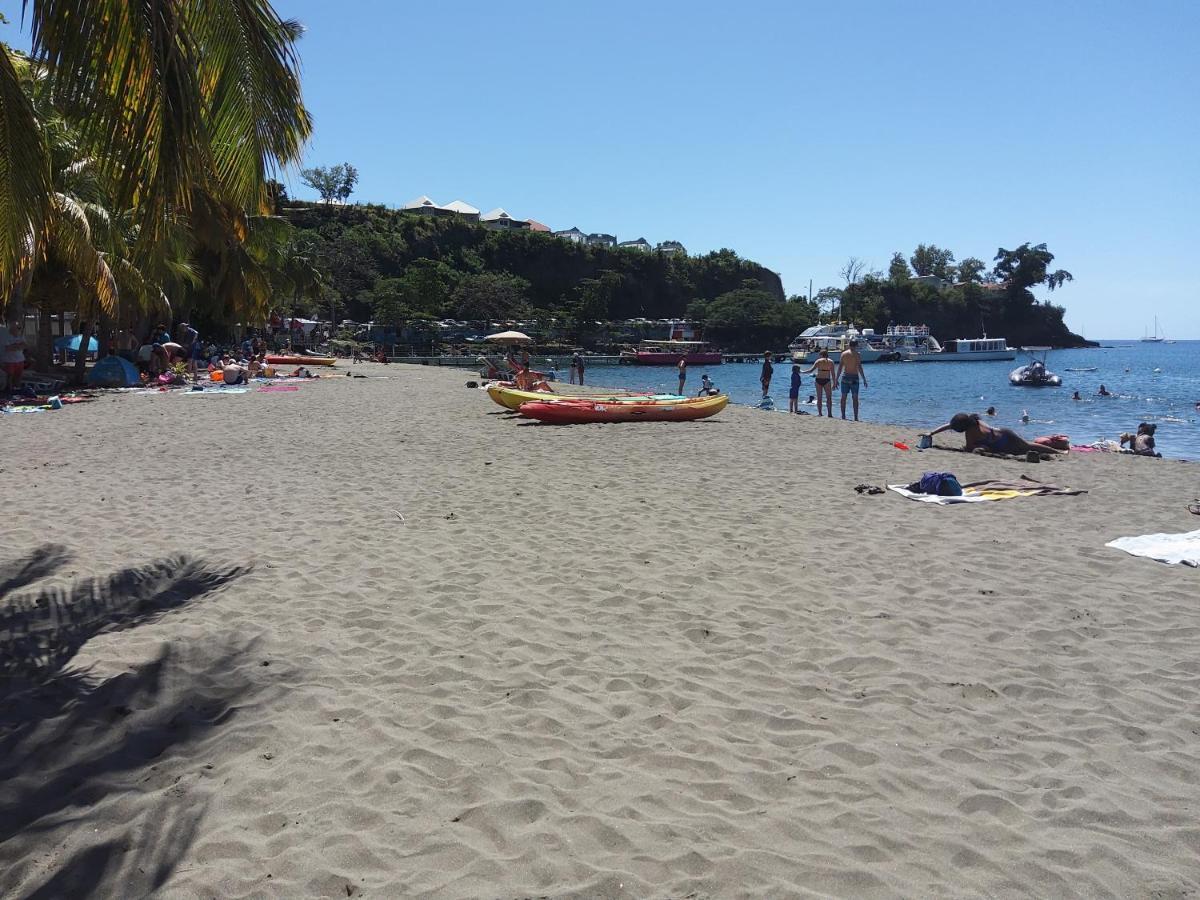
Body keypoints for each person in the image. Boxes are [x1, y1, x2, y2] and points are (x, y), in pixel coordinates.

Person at [925, 412, 1066, 455]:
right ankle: (1057, 452)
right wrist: (932, 433)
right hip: (1004, 432)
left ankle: (1057, 452)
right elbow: (949, 425)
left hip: (1002, 442)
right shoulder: (974, 420)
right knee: (1028, 446)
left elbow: (968, 448)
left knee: (1028, 447)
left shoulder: (970, 433)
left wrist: (963, 449)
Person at [835, 339, 868, 421]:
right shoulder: (857, 354)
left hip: (845, 376)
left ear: (849, 345)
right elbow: (859, 367)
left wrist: (836, 379)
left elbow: (840, 368)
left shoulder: (843, 354)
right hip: (854, 377)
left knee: (843, 397)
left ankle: (843, 416)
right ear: (856, 345)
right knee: (855, 398)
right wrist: (864, 379)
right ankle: (856, 417)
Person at [800, 350, 835, 416]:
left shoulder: (818, 361)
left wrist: (802, 372)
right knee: (829, 398)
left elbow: (810, 370)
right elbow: (833, 374)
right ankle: (829, 414)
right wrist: (835, 382)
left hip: (818, 379)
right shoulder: (831, 362)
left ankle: (820, 413)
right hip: (827, 380)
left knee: (819, 398)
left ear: (821, 355)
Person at [1, 320, 27, 393]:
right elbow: (8, 348)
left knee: (19, 375)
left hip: (20, 359)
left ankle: (17, 388)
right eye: (17, 328)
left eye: (19, 328)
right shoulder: (7, 337)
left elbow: (25, 346)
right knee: (10, 376)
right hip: (10, 360)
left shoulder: (21, 336)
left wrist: (15, 346)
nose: (18, 329)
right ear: (12, 328)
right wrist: (18, 346)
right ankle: (10, 390)